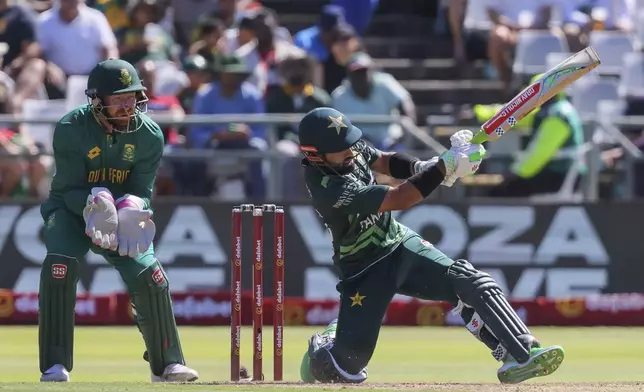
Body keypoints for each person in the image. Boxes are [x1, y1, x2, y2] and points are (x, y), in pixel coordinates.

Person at [297, 107, 565, 385]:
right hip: (364, 270)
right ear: (316, 155)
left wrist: (421, 166)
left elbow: (386, 161)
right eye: (341, 150)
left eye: (350, 144)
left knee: (468, 280)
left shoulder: (350, 150)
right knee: (342, 370)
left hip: (399, 243)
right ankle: (328, 344)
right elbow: (400, 198)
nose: (350, 152)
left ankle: (522, 351)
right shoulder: (327, 188)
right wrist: (443, 167)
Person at [38, 58, 199, 383]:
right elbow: (67, 187)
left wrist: (131, 206)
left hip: (122, 214)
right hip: (71, 211)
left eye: (133, 97)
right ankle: (55, 364)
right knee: (60, 266)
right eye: (119, 99)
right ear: (97, 101)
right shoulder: (71, 128)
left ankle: (167, 364)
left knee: (150, 275)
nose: (129, 106)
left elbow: (143, 188)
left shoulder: (150, 134)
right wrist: (96, 201)